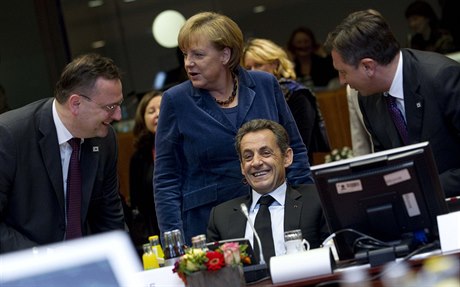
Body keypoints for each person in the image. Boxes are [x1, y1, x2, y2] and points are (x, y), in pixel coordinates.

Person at [154, 11, 313, 245]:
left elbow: (295, 149)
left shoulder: (265, 84)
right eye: (185, 54)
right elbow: (166, 178)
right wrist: (174, 241)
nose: (188, 63)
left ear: (225, 54)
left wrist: (308, 208)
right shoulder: (175, 101)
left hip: (275, 213)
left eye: (198, 54)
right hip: (207, 225)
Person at [325, 10, 460, 198]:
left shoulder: (442, 78)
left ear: (368, 66)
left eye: (343, 72)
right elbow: (386, 165)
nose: (341, 81)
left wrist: (423, 188)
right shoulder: (367, 97)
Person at [0, 53, 126, 253]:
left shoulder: (104, 139)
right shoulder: (9, 136)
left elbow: (109, 215)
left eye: (119, 105)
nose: (118, 115)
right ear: (76, 103)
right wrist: (43, 259)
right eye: (110, 107)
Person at [207, 119, 327, 262]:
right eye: (248, 157)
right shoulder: (221, 217)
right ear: (242, 167)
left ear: (287, 157)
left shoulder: (318, 199)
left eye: (265, 153)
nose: (256, 162)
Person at [242, 38, 331, 164]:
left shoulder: (297, 95)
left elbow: (301, 146)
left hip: (295, 172)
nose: (253, 72)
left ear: (275, 64)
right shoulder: (247, 101)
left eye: (258, 65)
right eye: (248, 68)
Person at [129, 90, 162, 249]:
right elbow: (137, 204)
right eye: (151, 111)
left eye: (162, 108)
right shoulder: (139, 158)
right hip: (154, 233)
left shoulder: (187, 145)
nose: (157, 114)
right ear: (143, 119)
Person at [346, 85, 373, 156]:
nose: (342, 81)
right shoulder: (352, 90)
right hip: (381, 163)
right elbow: (360, 143)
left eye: (343, 73)